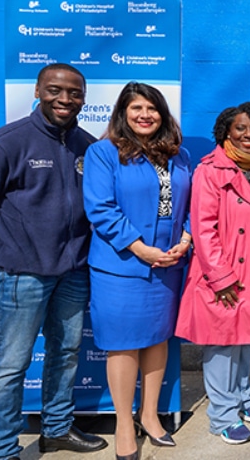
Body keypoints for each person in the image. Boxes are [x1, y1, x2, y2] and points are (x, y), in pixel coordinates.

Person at [0, 63, 108, 459]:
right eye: (56, 90)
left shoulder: (87, 146)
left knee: (65, 352)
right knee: (12, 364)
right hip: (22, 274)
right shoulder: (3, 145)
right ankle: (3, 448)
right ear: (38, 91)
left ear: (83, 98)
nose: (65, 99)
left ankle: (56, 428)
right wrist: (7, 248)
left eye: (74, 92)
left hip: (73, 271)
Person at [83, 82, 192, 460]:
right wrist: (140, 248)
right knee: (124, 343)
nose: (145, 115)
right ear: (123, 114)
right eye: (137, 108)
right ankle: (124, 424)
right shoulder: (103, 153)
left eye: (152, 108)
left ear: (163, 114)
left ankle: (149, 415)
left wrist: (187, 237)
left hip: (167, 265)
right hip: (122, 266)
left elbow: (192, 201)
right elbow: (100, 208)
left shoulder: (178, 155)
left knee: (158, 339)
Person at [175, 102, 250, 445]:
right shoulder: (211, 170)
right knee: (223, 344)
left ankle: (241, 394)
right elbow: (203, 227)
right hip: (227, 271)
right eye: (241, 128)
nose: (249, 135)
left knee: (245, 338)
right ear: (226, 131)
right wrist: (220, 276)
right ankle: (222, 415)